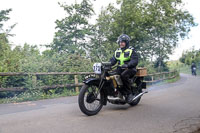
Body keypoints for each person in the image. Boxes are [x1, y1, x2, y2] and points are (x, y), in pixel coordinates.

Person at [110, 34, 138, 103]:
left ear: (127, 42)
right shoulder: (118, 51)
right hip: (120, 68)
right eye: (120, 42)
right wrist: (107, 64)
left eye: (122, 42)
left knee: (124, 75)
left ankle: (129, 94)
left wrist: (127, 65)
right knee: (110, 75)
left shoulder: (131, 50)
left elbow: (135, 61)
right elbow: (112, 60)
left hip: (130, 69)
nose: (121, 43)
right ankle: (116, 91)